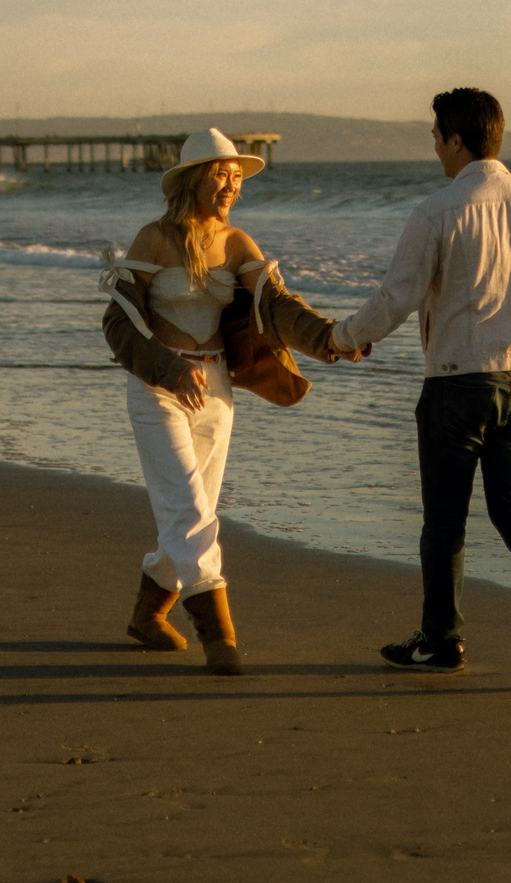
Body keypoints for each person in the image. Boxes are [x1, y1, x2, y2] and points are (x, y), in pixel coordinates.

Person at [328, 88, 511, 691]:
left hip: (458, 382)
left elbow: (397, 297)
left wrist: (344, 336)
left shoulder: (437, 211)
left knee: (444, 520)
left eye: (436, 137)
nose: (433, 147)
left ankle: (441, 640)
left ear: (456, 139)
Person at [100, 127, 347, 674]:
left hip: (216, 392)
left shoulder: (237, 243)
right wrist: (166, 369)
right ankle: (221, 638)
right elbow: (117, 322)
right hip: (158, 390)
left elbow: (278, 307)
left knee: (193, 511)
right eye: (221, 173)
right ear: (193, 178)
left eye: (237, 176)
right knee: (188, 510)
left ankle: (146, 617)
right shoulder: (153, 240)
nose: (231, 184)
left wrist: (331, 339)